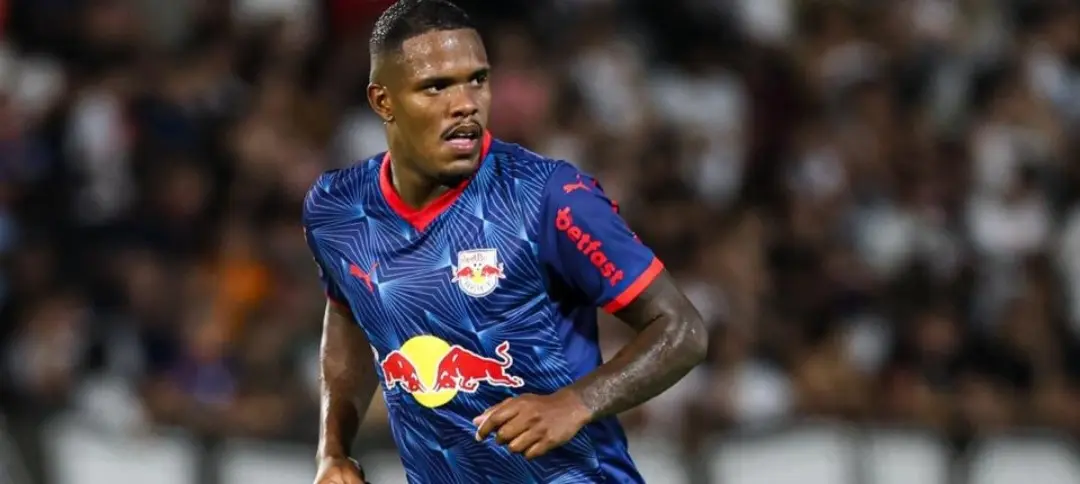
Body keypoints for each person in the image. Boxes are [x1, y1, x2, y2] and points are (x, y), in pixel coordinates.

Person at [303, 1, 708, 483]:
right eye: (436, 86)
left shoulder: (548, 196)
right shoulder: (337, 209)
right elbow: (348, 313)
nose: (465, 103)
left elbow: (682, 329)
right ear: (382, 101)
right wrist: (333, 449)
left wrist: (576, 403)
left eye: (477, 79)